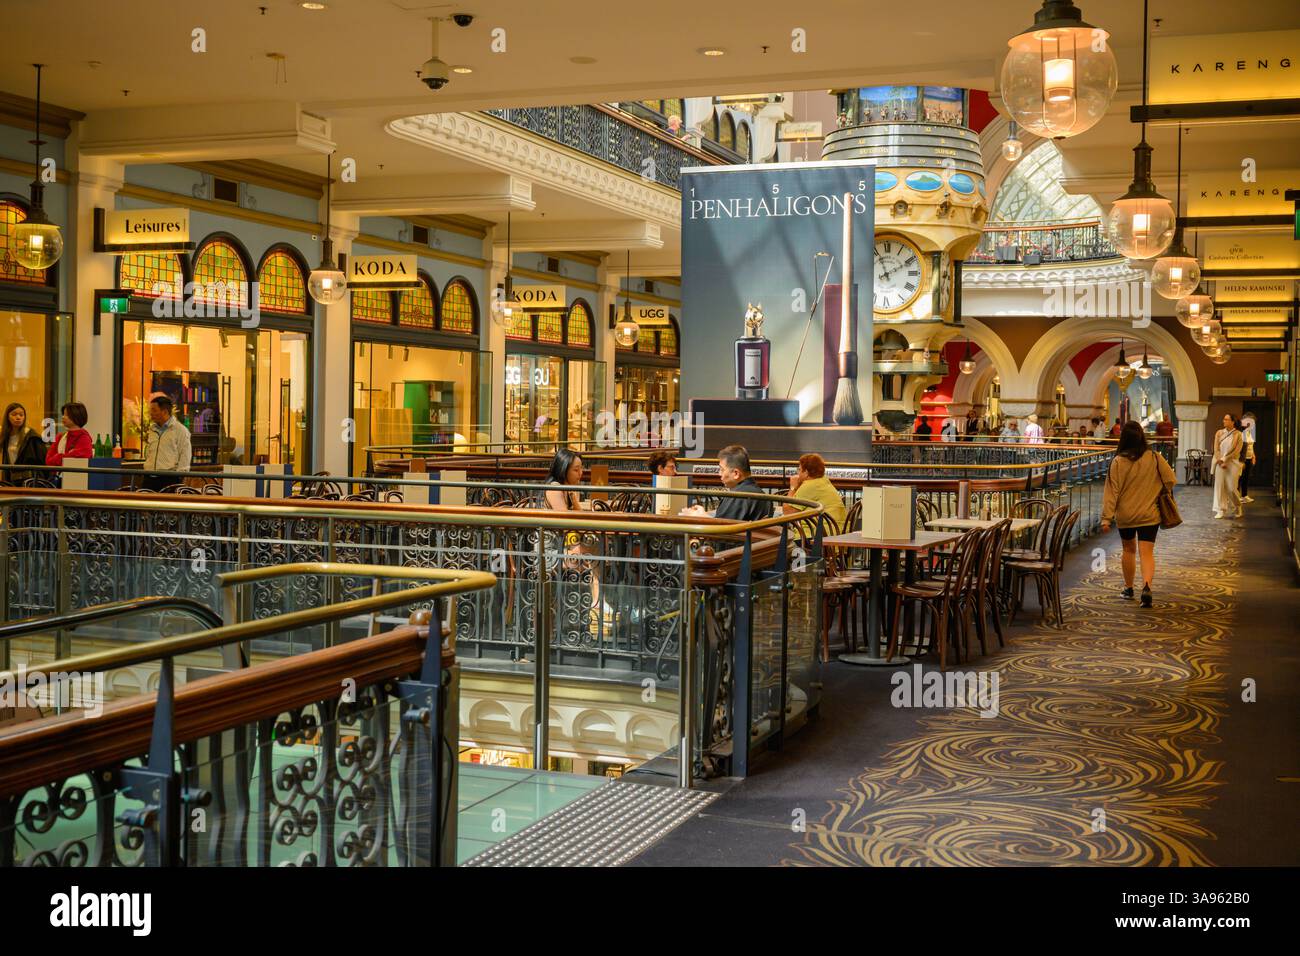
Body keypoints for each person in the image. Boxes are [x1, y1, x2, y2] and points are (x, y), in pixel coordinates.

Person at [1101, 421, 1177, 608]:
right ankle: (1147, 586)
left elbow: (1112, 492)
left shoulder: (1118, 462)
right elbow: (1171, 480)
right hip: (1149, 513)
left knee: (1128, 550)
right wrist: (1155, 491)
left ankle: (1128, 589)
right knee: (1146, 553)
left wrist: (1106, 518)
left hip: (1126, 515)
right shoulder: (1154, 457)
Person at [141, 395, 193, 492]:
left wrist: (179, 478)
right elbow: (149, 452)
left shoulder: (180, 430)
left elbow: (185, 456)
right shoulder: (152, 429)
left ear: (165, 412)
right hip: (149, 478)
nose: (150, 413)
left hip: (169, 479)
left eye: (154, 410)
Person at [782, 453, 847, 530]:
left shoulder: (809, 486)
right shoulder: (823, 481)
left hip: (816, 535)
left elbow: (788, 513)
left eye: (799, 469)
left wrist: (793, 488)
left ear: (806, 472)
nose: (798, 473)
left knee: (776, 532)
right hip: (835, 530)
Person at [712, 445, 772, 523]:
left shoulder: (738, 496)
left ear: (736, 473)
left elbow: (718, 529)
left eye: (722, 469)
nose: (719, 474)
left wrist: (701, 516)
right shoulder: (759, 493)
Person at [0, 402, 46, 485]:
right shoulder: (6, 437)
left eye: (21, 415)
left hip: (30, 482)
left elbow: (42, 462)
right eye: (14, 414)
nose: (18, 417)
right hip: (11, 481)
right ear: (7, 417)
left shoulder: (32, 437)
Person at [1210, 413, 1244, 519]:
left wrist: (1225, 459)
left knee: (1231, 488)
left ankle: (1238, 506)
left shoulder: (1238, 434)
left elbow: (1236, 451)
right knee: (1219, 486)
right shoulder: (1219, 433)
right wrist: (1220, 460)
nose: (1224, 421)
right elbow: (1216, 448)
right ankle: (1221, 509)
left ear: (1232, 422)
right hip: (1219, 462)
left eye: (1226, 419)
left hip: (1232, 463)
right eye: (1224, 419)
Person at [45, 401, 93, 469]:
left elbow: (78, 459)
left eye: (67, 415)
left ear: (76, 416)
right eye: (63, 414)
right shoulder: (60, 436)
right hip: (56, 477)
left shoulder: (84, 438)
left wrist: (58, 457)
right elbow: (48, 460)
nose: (63, 417)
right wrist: (66, 456)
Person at [1238, 413, 1257, 504]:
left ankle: (1244, 495)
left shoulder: (1251, 432)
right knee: (1240, 478)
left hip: (1249, 457)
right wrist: (1242, 461)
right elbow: (1240, 448)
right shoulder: (1241, 433)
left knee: (1246, 477)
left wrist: (1253, 455)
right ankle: (1237, 497)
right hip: (1242, 459)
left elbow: (1251, 446)